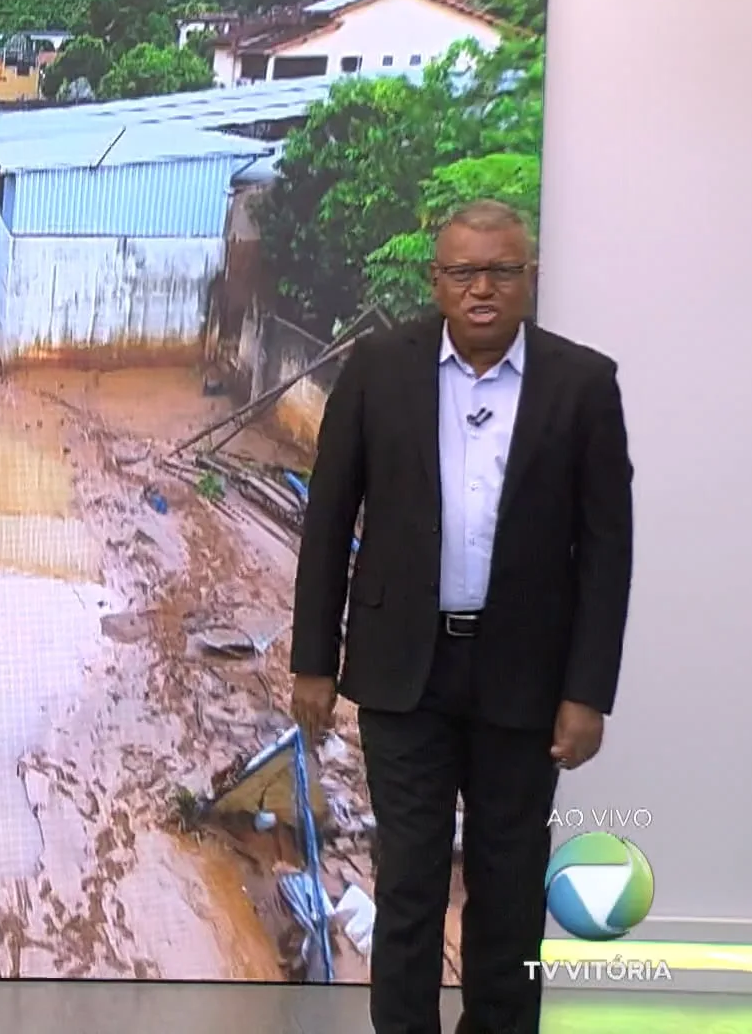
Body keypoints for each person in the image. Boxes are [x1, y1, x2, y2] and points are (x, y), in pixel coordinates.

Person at [289, 201, 633, 1034]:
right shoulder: (377, 368)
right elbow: (330, 517)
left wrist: (588, 693)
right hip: (406, 670)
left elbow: (607, 550)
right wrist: (313, 661)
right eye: (464, 273)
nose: (483, 288)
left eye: (502, 271)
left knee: (509, 890)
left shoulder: (584, 385)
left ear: (529, 279)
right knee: (406, 883)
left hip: (525, 679)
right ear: (437, 281)